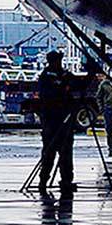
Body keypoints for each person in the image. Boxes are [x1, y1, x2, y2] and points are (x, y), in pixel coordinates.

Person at [37, 51, 81, 193]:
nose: (59, 64)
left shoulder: (64, 75)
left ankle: (66, 180)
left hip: (64, 120)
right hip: (51, 120)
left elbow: (78, 84)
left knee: (66, 154)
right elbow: (50, 95)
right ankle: (43, 180)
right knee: (49, 154)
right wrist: (63, 88)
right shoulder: (46, 77)